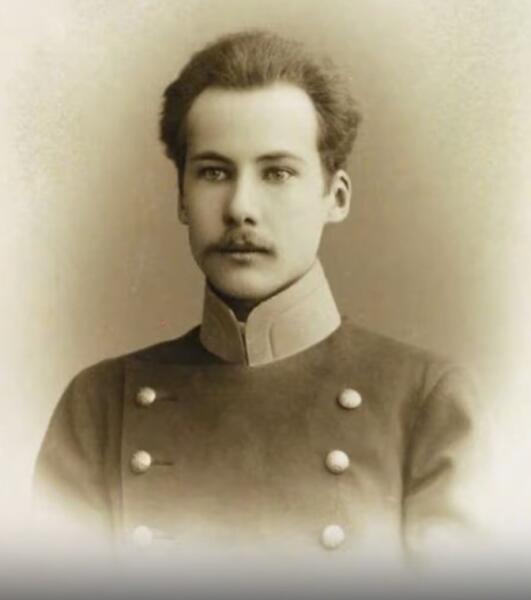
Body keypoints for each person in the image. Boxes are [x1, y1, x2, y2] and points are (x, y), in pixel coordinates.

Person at [33, 30, 478, 568]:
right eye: (214, 172)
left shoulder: (425, 402)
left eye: (277, 173)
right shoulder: (99, 405)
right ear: (182, 198)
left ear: (335, 197)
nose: (240, 207)